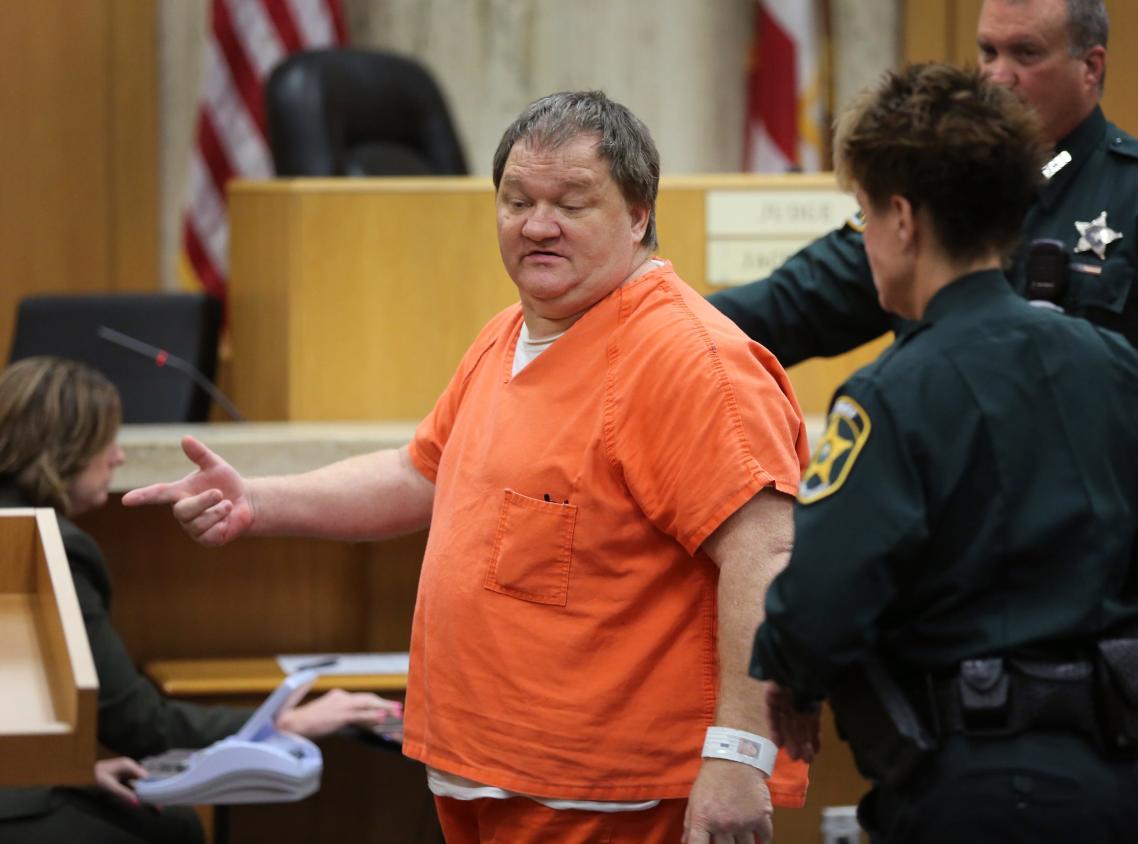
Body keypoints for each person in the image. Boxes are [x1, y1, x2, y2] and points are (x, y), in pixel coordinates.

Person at [124, 91, 810, 843]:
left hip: (611, 796)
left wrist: (739, 754)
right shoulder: (509, 332)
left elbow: (767, 557)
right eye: (517, 200)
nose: (536, 225)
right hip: (487, 773)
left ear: (639, 213)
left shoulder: (688, 359)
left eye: (571, 203)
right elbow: (420, 473)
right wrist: (256, 500)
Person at [747, 63, 1138, 843]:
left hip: (968, 786)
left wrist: (794, 680)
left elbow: (817, 607)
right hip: (1132, 781)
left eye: (866, 216)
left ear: (903, 220)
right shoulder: (1118, 369)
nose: (866, 239)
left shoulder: (889, 399)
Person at [710, 0, 1138, 670]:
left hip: (1114, 600)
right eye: (988, 52)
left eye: (1026, 54)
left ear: (1091, 67)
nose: (998, 75)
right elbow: (789, 304)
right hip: (962, 609)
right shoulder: (941, 189)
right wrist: (646, 320)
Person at [0, 357, 400, 844]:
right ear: (65, 445)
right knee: (174, 828)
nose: (119, 457)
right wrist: (279, 722)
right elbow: (139, 723)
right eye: (107, 438)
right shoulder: (44, 545)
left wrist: (73, 770)